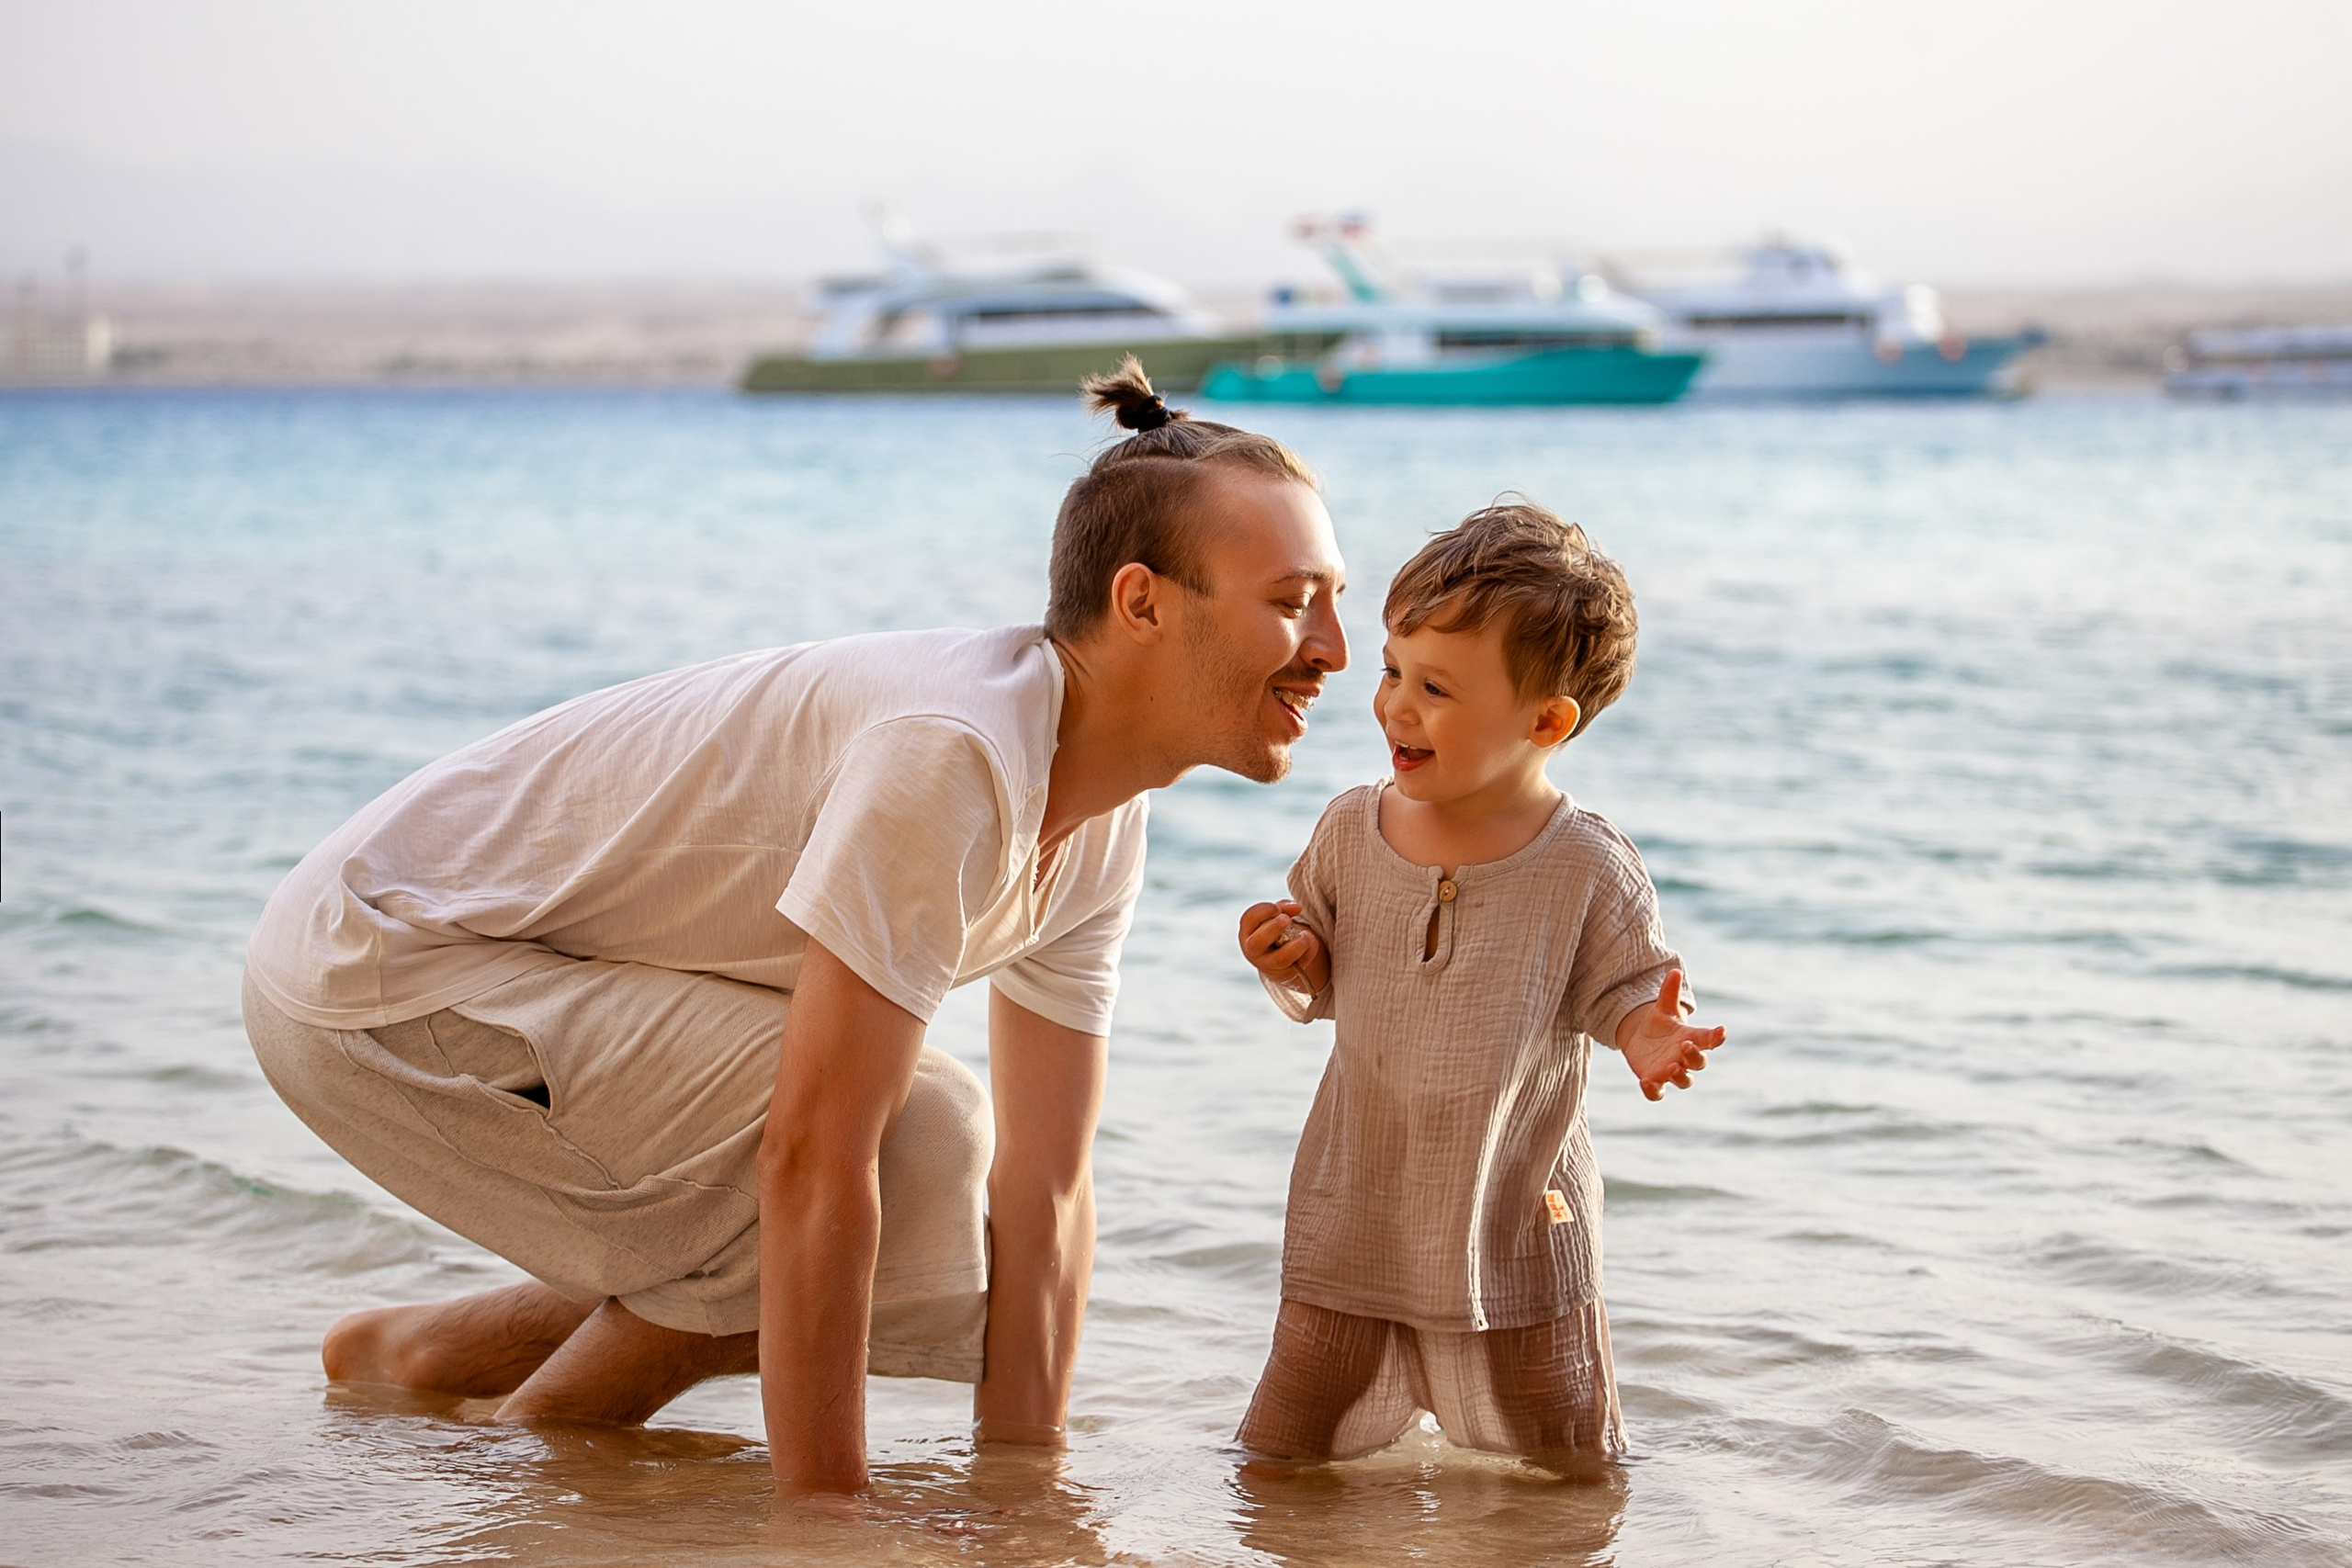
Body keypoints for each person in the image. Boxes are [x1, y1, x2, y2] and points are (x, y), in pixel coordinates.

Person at [241, 358, 1349, 1497]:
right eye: (1289, 600)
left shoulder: (1104, 821)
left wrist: (1027, 1487)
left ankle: (437, 1360)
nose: (1334, 652)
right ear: (1142, 602)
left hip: (499, 967)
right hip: (380, 969)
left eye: (1334, 602)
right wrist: (828, 1523)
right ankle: (547, 1444)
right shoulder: (952, 753)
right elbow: (814, 1159)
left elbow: (1048, 1189)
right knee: (909, 1141)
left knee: (903, 1148)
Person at [1232, 501, 1724, 1472]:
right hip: (1358, 1212)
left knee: (1568, 1467)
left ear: (1545, 721)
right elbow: (1324, 966)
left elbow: (1625, 990)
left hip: (1512, 1224)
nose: (1394, 708)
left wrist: (1649, 1037)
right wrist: (1288, 955)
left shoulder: (1586, 865)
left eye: (1437, 690)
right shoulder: (1349, 831)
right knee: (1282, 1459)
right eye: (1391, 671)